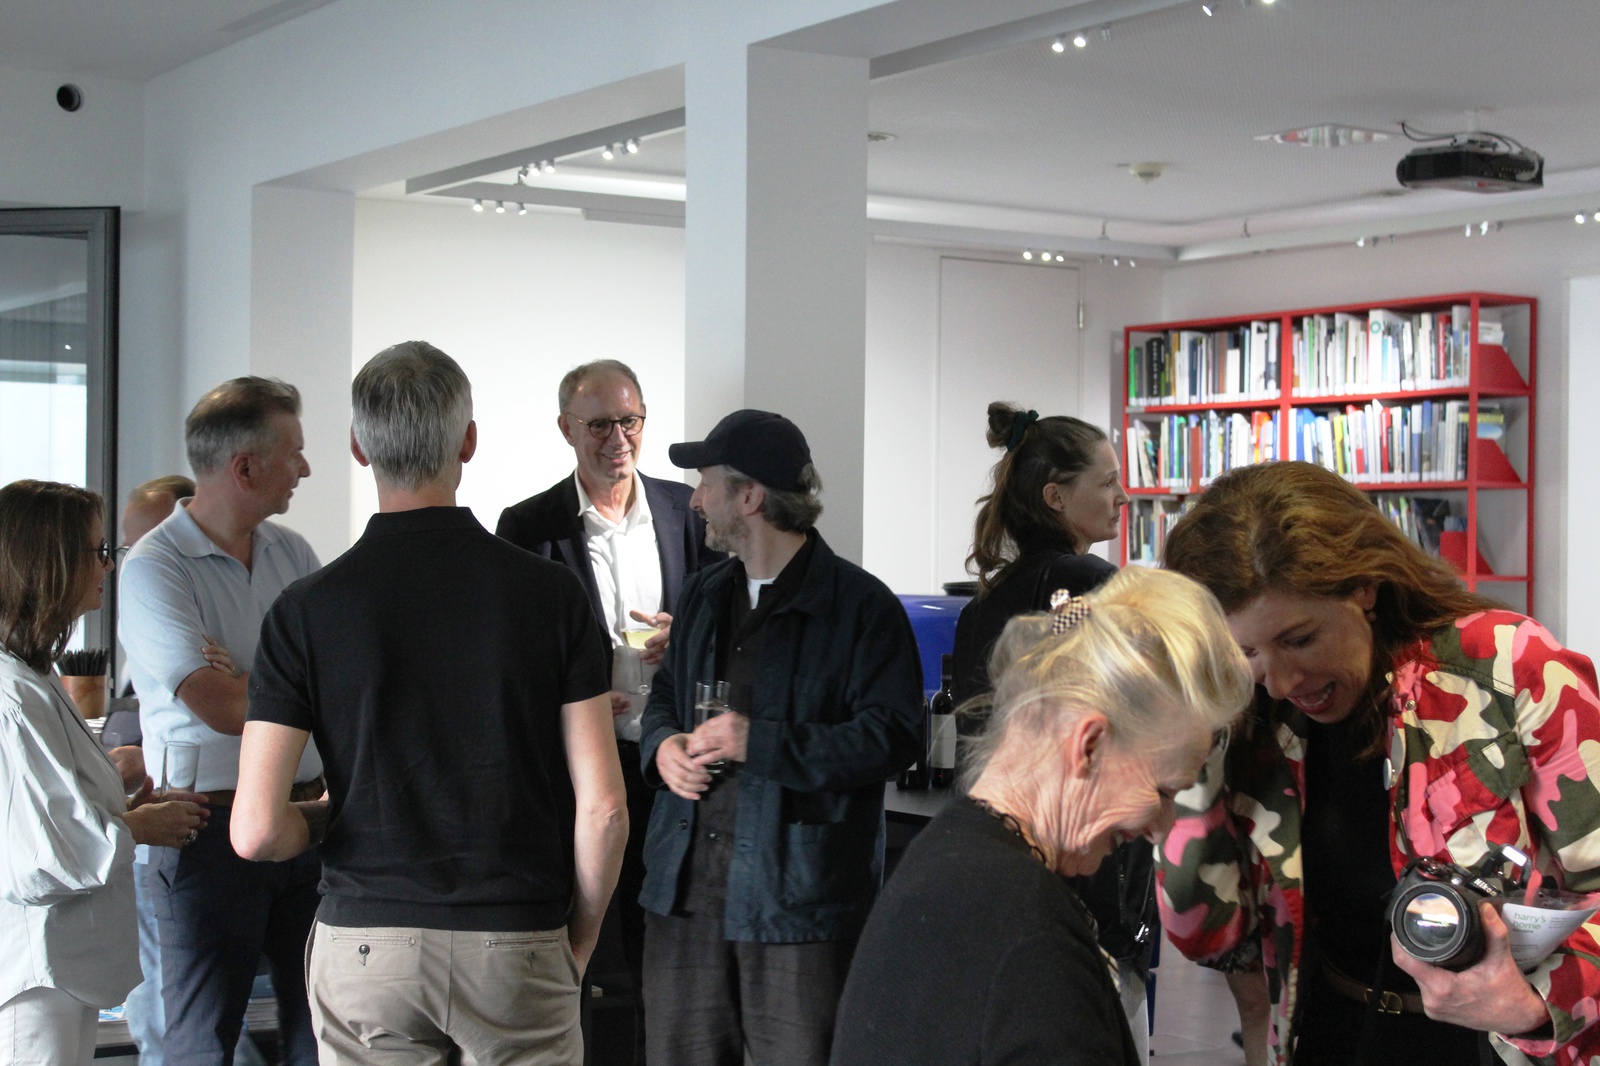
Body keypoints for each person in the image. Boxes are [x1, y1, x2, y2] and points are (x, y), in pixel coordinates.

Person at [232, 341, 628, 1065]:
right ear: (468, 441)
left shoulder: (305, 610)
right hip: (516, 935)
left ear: (358, 448)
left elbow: (255, 832)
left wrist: (329, 816)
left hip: (366, 943)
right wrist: (581, 939)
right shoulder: (552, 595)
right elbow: (603, 809)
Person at [1158, 460, 1600, 1066]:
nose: (1281, 681)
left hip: (1498, 1045)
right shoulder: (1251, 716)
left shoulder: (1509, 666)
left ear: (1364, 588)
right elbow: (1206, 931)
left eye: (1300, 639)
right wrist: (1191, 736)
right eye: (1247, 651)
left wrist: (1534, 1004)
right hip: (1327, 1032)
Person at [830, 566, 1251, 1066]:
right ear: (1089, 745)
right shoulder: (1031, 942)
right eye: (1162, 791)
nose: (1161, 828)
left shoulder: (948, 854)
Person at [638, 409, 923, 1066]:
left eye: (707, 484)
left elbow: (893, 738)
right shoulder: (702, 595)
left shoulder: (862, 608)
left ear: (750, 497)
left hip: (799, 909)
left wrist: (757, 741)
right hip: (685, 897)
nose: (695, 500)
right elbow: (665, 700)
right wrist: (663, 747)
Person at [497, 359, 721, 1061]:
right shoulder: (528, 525)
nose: (618, 439)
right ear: (566, 429)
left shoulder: (689, 511)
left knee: (671, 949)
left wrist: (686, 634)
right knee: (584, 951)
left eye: (630, 421)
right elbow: (512, 657)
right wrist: (577, 697)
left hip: (674, 768)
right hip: (583, 773)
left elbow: (730, 625)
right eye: (599, 425)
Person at [118, 377, 324, 1066]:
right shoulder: (155, 568)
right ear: (245, 467)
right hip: (205, 832)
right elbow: (222, 707)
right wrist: (297, 679)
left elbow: (333, 682)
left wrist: (252, 676)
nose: (305, 468)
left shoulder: (293, 553)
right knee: (202, 1044)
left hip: (306, 820)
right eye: (293, 452)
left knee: (322, 1037)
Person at [947, 402, 1154, 1051]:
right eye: (1107, 481)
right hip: (1086, 870)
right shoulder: (1085, 584)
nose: (1123, 496)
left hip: (1003, 857)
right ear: (1056, 496)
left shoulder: (986, 602)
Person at [0, 480, 206, 1066]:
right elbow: (41, 853)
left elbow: (55, 813)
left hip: (63, 967)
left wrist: (125, 809)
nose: (109, 566)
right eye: (99, 551)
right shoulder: (14, 696)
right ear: (52, 561)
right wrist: (137, 828)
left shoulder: (34, 678)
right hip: (36, 972)